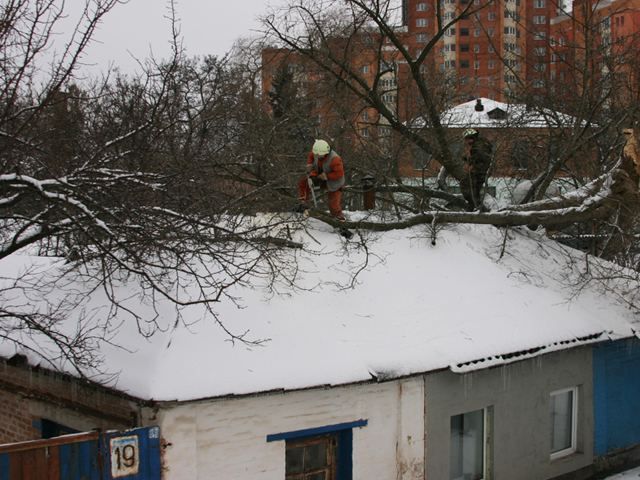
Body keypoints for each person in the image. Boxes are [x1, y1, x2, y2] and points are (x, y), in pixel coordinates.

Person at [297, 139, 346, 221]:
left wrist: (327, 176)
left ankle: (340, 221)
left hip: (334, 182)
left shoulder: (335, 159)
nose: (317, 156)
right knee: (304, 182)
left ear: (325, 153)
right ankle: (303, 203)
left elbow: (339, 174)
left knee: (333, 204)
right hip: (320, 175)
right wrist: (309, 164)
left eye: (319, 155)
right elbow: (311, 156)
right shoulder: (317, 151)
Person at [459, 128, 493, 210]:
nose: (466, 142)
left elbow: (479, 157)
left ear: (471, 138)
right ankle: (475, 206)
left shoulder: (478, 145)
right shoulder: (482, 143)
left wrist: (469, 160)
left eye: (467, 140)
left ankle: (474, 205)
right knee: (475, 190)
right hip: (483, 170)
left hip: (479, 171)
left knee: (465, 185)